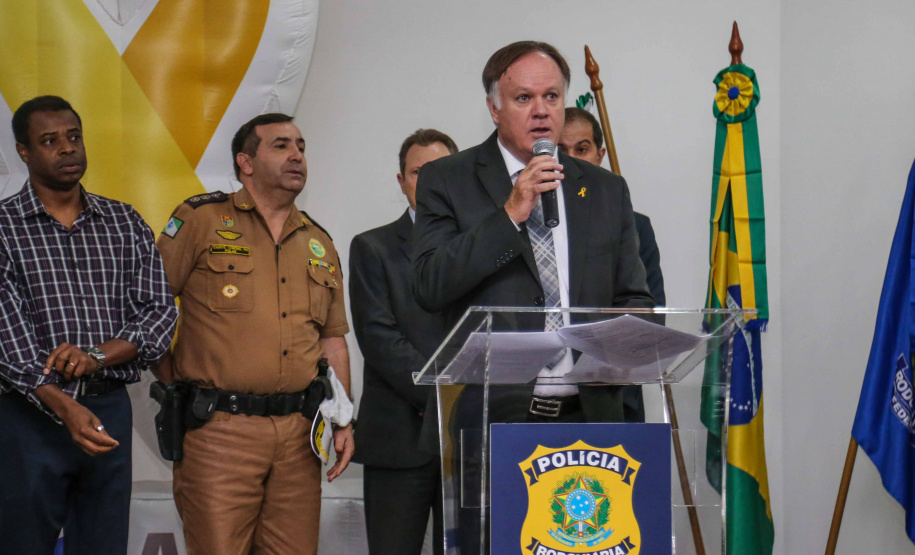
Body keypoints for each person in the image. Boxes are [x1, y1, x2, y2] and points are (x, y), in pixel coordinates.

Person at [412, 41, 655, 425]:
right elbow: (430, 284)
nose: (541, 110)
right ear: (494, 108)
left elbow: (634, 299)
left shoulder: (606, 189)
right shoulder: (447, 179)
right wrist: (509, 215)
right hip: (494, 416)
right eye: (524, 97)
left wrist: (618, 347)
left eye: (552, 96)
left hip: (590, 416)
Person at [155, 113, 354, 555]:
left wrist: (343, 418)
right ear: (246, 162)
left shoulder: (318, 241)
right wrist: (174, 385)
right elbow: (150, 306)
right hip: (220, 432)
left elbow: (332, 339)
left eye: (301, 146)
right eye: (281, 145)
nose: (297, 155)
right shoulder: (201, 218)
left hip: (300, 438)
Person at [0, 95, 178, 554]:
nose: (66, 148)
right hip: (29, 417)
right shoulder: (3, 228)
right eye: (50, 141)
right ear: (23, 151)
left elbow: (159, 313)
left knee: (103, 546)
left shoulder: (123, 221)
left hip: (108, 409)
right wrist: (64, 406)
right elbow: (9, 342)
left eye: (73, 137)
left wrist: (96, 355)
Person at [349, 128, 458, 555]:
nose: (430, 182)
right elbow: (378, 338)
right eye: (418, 172)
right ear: (401, 182)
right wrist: (446, 394)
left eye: (441, 172)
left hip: (469, 442)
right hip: (399, 437)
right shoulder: (372, 247)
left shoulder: (484, 247)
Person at [559, 106, 667, 421]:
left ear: (600, 154)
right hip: (534, 406)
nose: (573, 160)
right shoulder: (530, 222)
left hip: (613, 399)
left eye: (582, 149)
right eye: (562, 151)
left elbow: (649, 311)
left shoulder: (634, 226)